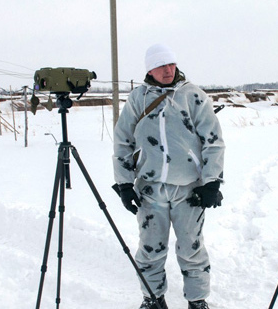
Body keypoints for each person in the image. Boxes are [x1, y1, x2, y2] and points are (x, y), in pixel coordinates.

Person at [112, 43, 225, 309]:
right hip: (150, 189)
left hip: (189, 191)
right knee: (150, 249)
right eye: (162, 65)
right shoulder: (138, 98)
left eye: (171, 64)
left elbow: (213, 141)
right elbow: (122, 141)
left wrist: (212, 181)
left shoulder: (192, 96)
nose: (168, 70)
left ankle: (197, 301)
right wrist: (125, 183)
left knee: (192, 249)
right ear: (149, 69)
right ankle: (153, 298)